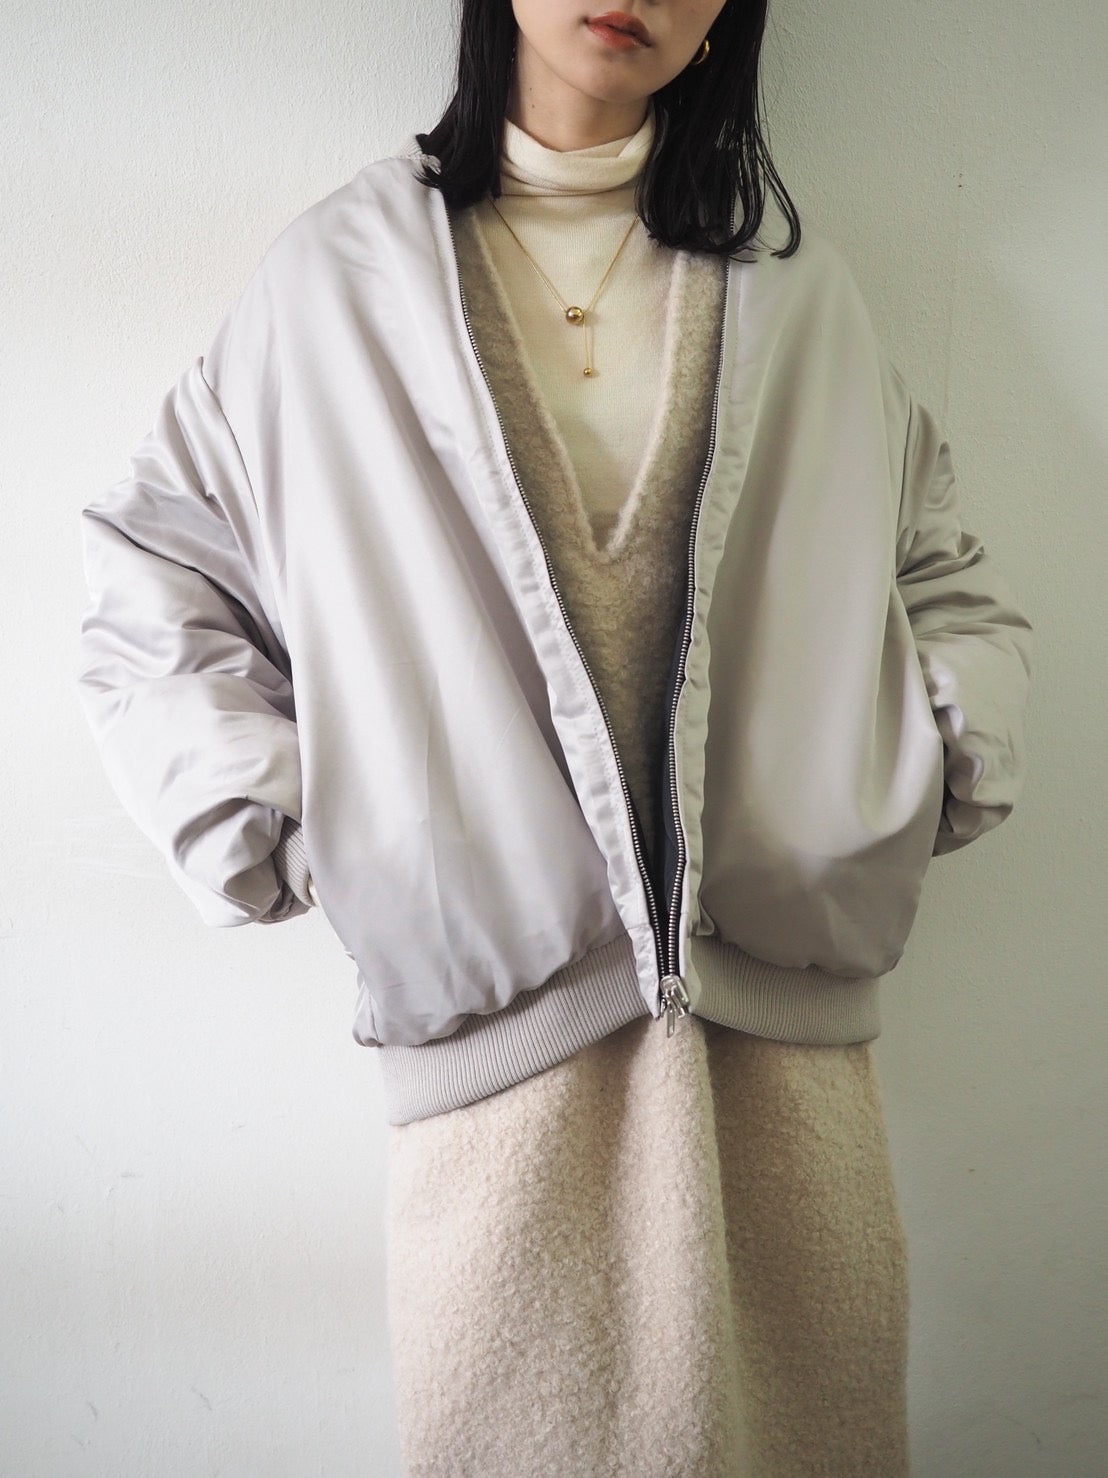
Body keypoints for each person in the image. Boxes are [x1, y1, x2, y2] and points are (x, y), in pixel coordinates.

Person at [75, 1, 1033, 1473]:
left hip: (790, 1065)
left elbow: (934, 567)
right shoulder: (335, 286)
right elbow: (155, 578)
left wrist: (936, 765)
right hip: (494, 1073)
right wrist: (304, 832)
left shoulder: (796, 290)